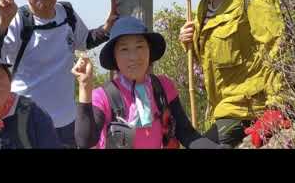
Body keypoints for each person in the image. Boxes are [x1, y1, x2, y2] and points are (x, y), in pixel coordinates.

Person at [0, 0, 119, 148]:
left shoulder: (67, 13)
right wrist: (2, 24)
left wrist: (106, 28)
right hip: (26, 122)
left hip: (67, 121)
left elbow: (85, 40)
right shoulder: (17, 21)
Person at [167, 0, 287, 148]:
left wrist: (278, 108)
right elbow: (213, 60)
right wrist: (190, 44)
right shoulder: (205, 7)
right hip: (225, 109)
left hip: (251, 109)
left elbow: (278, 48)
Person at [72, 16, 226, 149]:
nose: (133, 56)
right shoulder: (103, 96)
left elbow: (186, 133)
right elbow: (85, 141)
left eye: (140, 46)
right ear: (114, 57)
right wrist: (85, 87)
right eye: (124, 49)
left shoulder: (163, 87)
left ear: (149, 51)